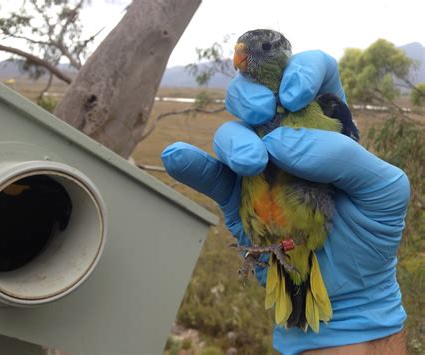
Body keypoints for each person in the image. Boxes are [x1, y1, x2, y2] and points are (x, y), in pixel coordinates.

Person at [161, 50, 410, 354]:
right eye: (241, 50)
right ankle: (280, 265)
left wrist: (364, 311)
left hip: (308, 235)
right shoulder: (251, 122)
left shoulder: (318, 106)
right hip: (268, 228)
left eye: (260, 50)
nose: (241, 55)